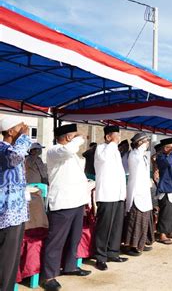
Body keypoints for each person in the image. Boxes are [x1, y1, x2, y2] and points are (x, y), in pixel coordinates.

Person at [42, 124, 91, 291]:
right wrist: (77, 138)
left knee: (74, 238)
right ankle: (49, 277)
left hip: (77, 202)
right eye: (74, 135)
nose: (80, 139)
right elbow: (68, 150)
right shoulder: (54, 151)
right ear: (68, 137)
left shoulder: (72, 154)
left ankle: (70, 266)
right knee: (55, 241)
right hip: (62, 204)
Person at [0, 118, 32, 291]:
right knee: (6, 261)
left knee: (11, 260)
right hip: (7, 215)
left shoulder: (12, 148)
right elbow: (14, 158)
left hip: (16, 213)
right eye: (20, 127)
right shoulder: (3, 149)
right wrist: (25, 137)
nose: (25, 128)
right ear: (10, 131)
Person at [94, 125, 128, 271]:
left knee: (116, 225)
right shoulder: (101, 149)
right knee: (104, 227)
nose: (118, 140)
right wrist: (112, 143)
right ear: (108, 137)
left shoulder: (114, 150)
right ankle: (100, 257)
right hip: (107, 194)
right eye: (116, 136)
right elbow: (105, 160)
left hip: (118, 194)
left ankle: (113, 252)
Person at [123, 133, 154, 256]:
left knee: (144, 220)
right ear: (140, 143)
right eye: (145, 141)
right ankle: (132, 245)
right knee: (135, 221)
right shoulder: (134, 155)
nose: (147, 143)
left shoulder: (142, 156)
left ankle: (140, 244)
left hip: (144, 192)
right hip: (137, 192)